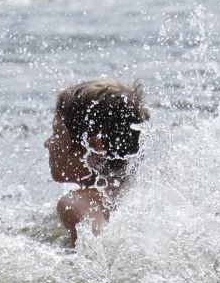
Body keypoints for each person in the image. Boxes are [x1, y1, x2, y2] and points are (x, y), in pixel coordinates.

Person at [44, 78, 148, 245]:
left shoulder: (76, 202)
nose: (48, 143)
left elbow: (98, 249)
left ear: (94, 148)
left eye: (57, 132)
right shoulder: (135, 192)